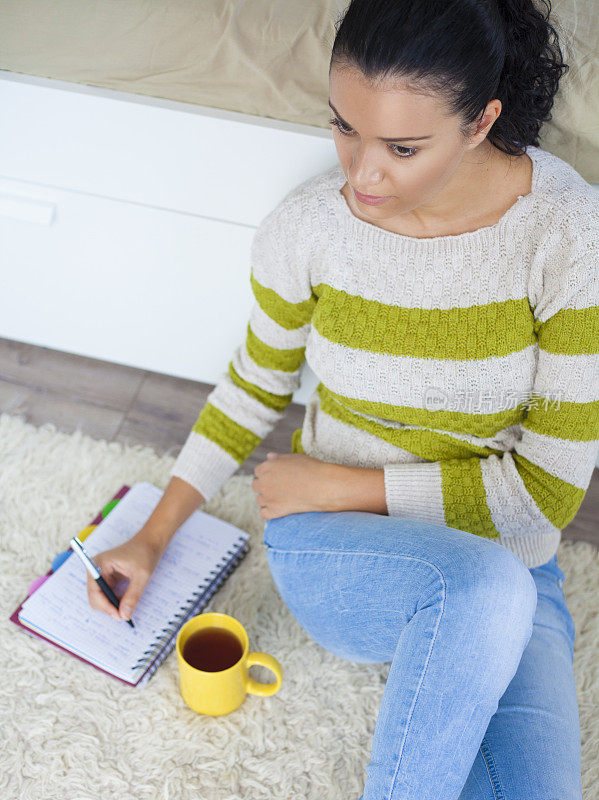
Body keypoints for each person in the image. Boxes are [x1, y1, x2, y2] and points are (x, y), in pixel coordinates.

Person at [86, 0, 598, 797]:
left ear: (479, 121)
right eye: (344, 129)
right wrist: (151, 537)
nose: (362, 174)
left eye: (400, 146)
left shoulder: (567, 237)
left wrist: (342, 484)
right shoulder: (308, 230)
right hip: (337, 547)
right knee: (486, 586)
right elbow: (255, 384)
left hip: (497, 557)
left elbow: (544, 500)